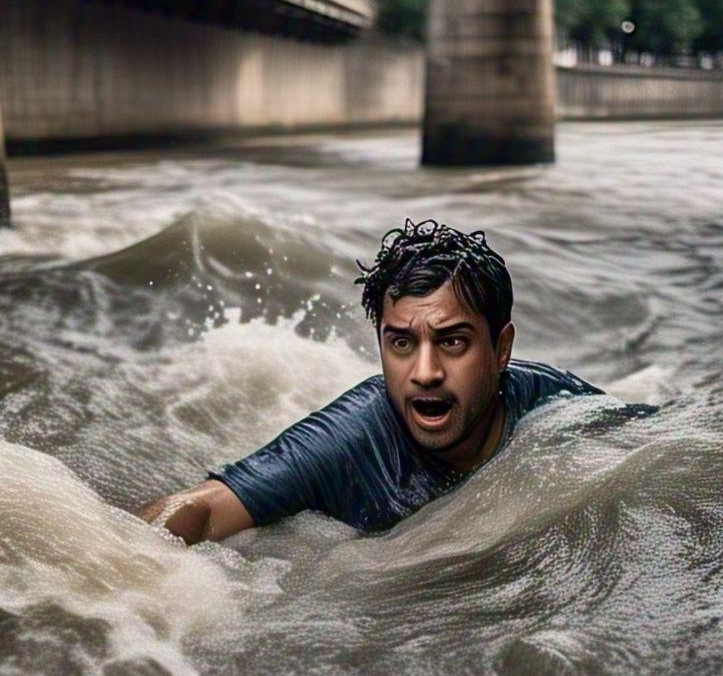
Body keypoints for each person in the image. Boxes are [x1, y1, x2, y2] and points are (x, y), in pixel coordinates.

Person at [139, 219, 604, 543]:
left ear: (501, 349)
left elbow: (658, 449)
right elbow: (199, 512)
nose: (425, 373)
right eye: (401, 343)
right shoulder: (349, 440)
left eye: (453, 342)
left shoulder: (553, 404)